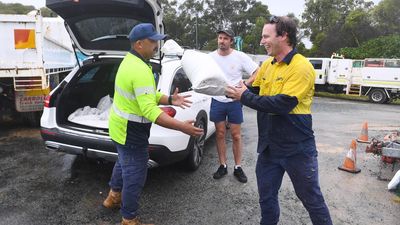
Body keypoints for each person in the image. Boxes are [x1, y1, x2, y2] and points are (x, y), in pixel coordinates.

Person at [225, 16, 332, 225]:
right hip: (269, 148)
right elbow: (255, 90)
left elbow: (282, 104)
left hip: (297, 148)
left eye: (266, 36)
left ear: (283, 36)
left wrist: (244, 96)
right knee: (266, 198)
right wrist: (233, 89)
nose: (261, 41)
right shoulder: (267, 65)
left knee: (311, 199)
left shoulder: (301, 67)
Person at [102, 23, 203, 225]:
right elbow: (150, 111)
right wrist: (182, 127)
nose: (157, 45)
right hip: (131, 131)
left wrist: (169, 100)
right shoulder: (139, 69)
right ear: (139, 44)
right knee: (135, 175)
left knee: (123, 163)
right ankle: (129, 219)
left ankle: (113, 198)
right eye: (153, 41)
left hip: (119, 127)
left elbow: (147, 94)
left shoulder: (132, 61)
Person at [209, 29, 259, 183]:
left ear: (231, 41)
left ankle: (238, 167)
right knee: (220, 133)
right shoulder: (210, 57)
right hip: (217, 100)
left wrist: (245, 84)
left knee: (236, 135)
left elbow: (257, 71)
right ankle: (222, 165)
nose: (221, 41)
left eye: (225, 38)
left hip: (235, 101)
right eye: (220, 38)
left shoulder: (239, 56)